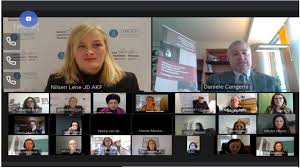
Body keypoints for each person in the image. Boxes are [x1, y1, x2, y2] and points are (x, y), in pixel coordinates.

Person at [44, 23, 140, 92]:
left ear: (106, 49)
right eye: (82, 46)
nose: (89, 52)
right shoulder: (56, 82)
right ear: (72, 52)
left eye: (97, 45)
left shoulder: (128, 81)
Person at [206, 41, 281, 92]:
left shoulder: (271, 82)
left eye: (245, 53)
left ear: (250, 56)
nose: (241, 57)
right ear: (229, 59)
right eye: (235, 54)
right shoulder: (214, 81)